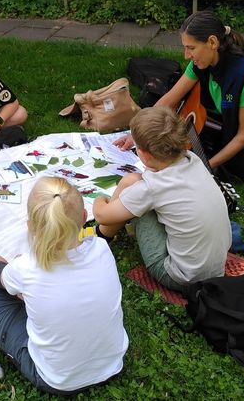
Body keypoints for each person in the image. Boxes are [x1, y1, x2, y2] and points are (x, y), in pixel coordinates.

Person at [0, 176, 128, 395]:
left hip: (57, 380)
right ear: (84, 217)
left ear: (30, 227)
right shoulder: (101, 248)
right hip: (112, 365)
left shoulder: (27, 267)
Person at [116, 11, 244, 182]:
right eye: (185, 47)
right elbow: (169, 100)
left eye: (191, 48)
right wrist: (137, 135)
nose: (186, 55)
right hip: (217, 135)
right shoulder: (200, 63)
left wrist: (204, 167)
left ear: (212, 42)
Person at [93, 107, 231, 292]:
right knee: (133, 183)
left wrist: (100, 198)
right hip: (216, 266)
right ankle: (103, 235)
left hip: (181, 277)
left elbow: (102, 215)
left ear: (143, 154)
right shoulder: (193, 159)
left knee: (134, 194)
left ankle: (100, 236)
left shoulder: (152, 188)